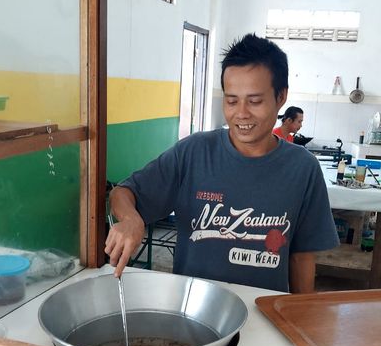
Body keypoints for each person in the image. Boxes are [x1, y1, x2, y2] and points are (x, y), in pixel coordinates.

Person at [105, 33, 338, 293]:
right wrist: (131, 220)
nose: (241, 113)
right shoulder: (194, 153)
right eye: (231, 100)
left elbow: (302, 257)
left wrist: (300, 317)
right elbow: (123, 192)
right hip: (195, 314)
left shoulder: (302, 168)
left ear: (281, 96)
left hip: (264, 316)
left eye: (255, 101)